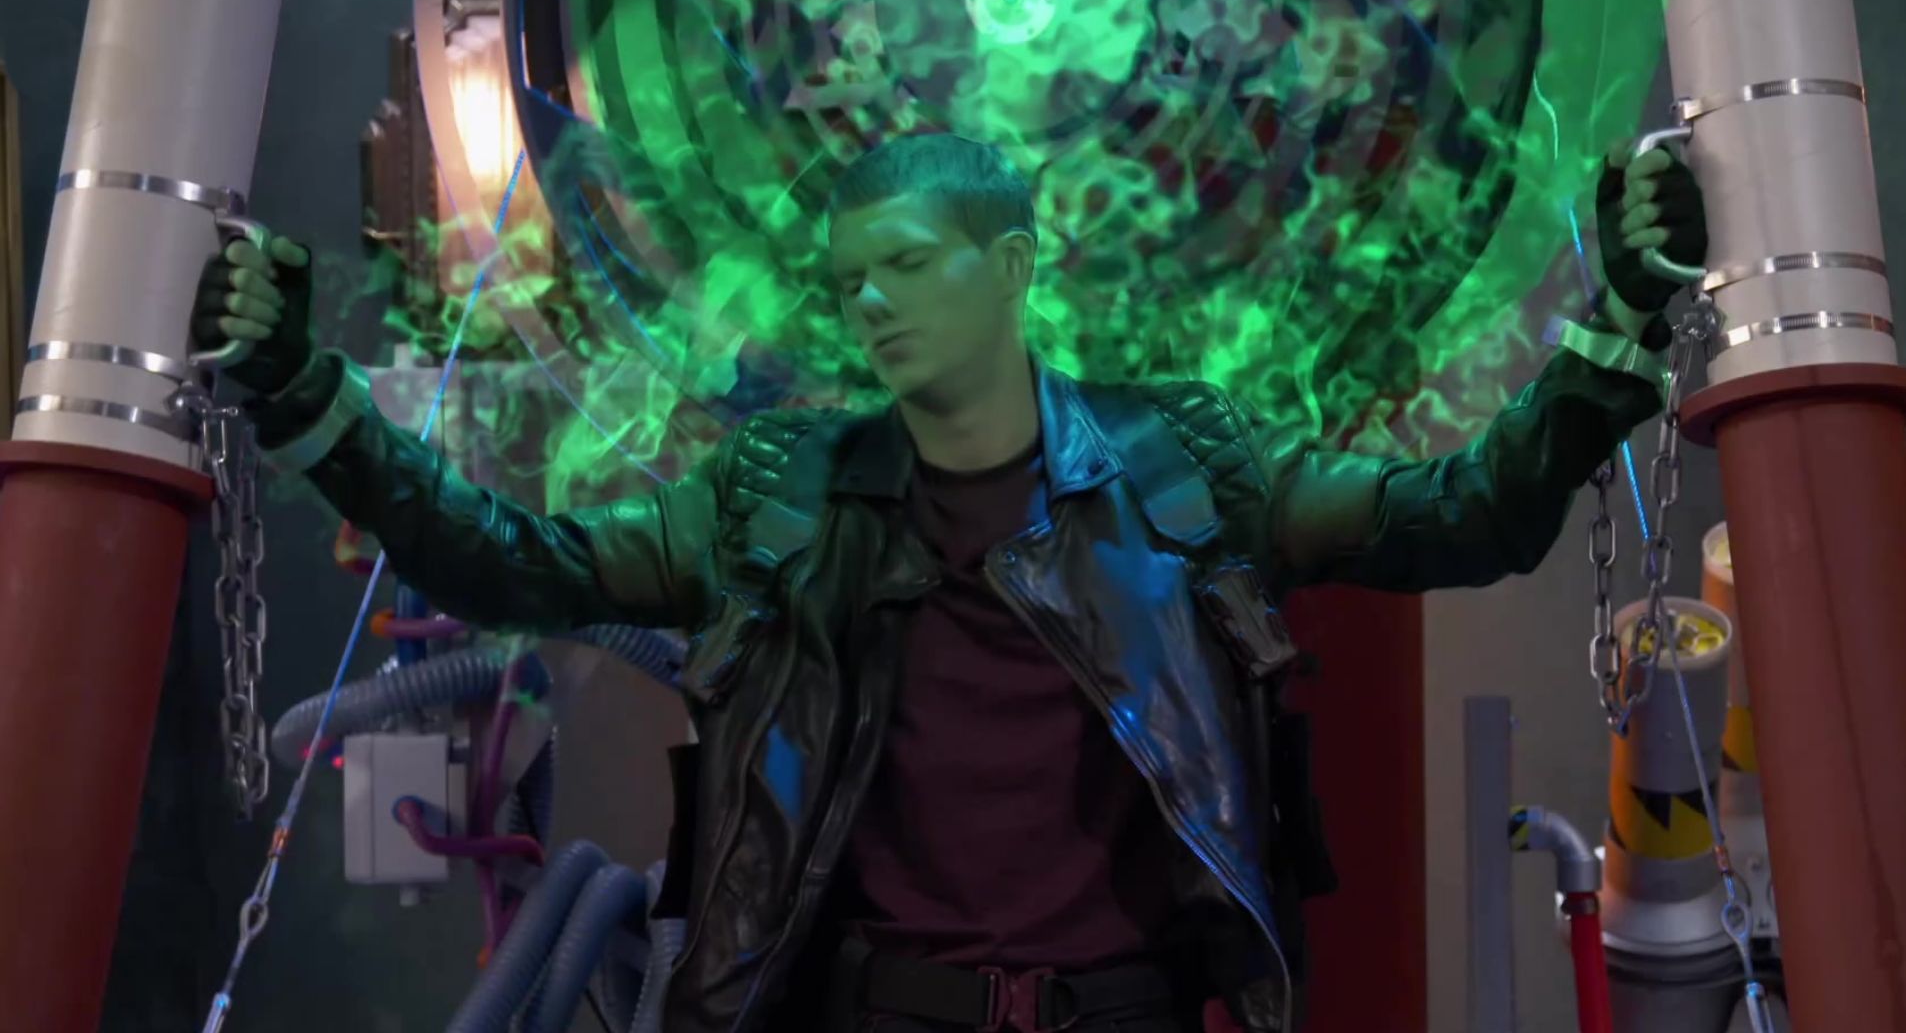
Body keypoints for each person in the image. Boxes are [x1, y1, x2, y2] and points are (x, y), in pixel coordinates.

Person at [194, 132, 1705, 1033]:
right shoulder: (783, 491)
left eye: (909, 264)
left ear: (1014, 264)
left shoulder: (1181, 466)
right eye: (851, 276)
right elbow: (520, 565)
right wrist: (309, 398)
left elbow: (1462, 518)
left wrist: (1616, 328)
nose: (871, 302)